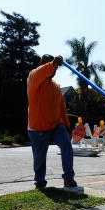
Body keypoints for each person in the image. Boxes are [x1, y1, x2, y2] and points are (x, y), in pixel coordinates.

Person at [27, 54, 77, 189]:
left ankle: (68, 178)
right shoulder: (34, 78)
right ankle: (40, 183)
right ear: (42, 65)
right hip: (37, 128)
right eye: (47, 65)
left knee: (67, 146)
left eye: (54, 67)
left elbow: (62, 108)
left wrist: (66, 126)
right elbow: (41, 71)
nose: (52, 69)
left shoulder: (56, 86)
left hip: (55, 126)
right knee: (39, 158)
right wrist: (52, 64)